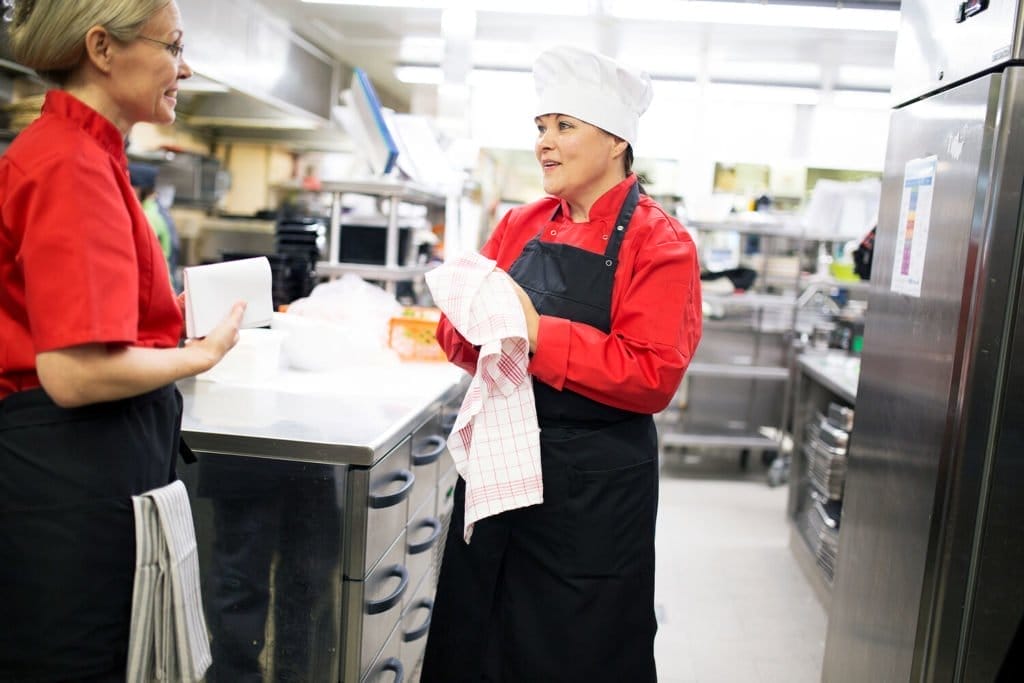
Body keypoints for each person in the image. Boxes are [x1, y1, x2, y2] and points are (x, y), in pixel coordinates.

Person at [421, 45, 703, 682]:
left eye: (564, 126)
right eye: (541, 127)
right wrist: (468, 329)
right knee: (478, 630)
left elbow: (651, 375)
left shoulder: (661, 242)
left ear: (614, 141)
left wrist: (532, 331)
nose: (545, 143)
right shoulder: (520, 223)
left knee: (578, 646)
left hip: (595, 488)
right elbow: (459, 336)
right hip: (501, 465)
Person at [0, 2, 245, 681]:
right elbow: (74, 373)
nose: (184, 67)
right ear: (103, 49)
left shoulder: (87, 155)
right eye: (172, 46)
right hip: (66, 488)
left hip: (84, 477)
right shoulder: (69, 164)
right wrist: (199, 354)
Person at [129, 161, 183, 292]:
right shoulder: (157, 209)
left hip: (157, 286)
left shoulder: (148, 216)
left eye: (130, 187)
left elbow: (141, 258)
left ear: (139, 189)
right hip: (164, 283)